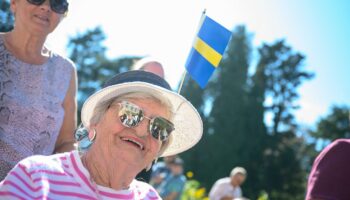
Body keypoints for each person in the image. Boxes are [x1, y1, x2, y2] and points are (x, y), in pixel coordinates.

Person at [0, 70, 203, 199]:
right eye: (130, 113)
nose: (142, 131)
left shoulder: (150, 197)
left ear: (158, 150)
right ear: (95, 121)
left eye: (160, 127)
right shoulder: (36, 177)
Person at [0, 0, 77, 180]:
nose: (46, 7)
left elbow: (66, 142)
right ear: (13, 3)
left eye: (57, 3)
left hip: (32, 191)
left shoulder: (66, 70)